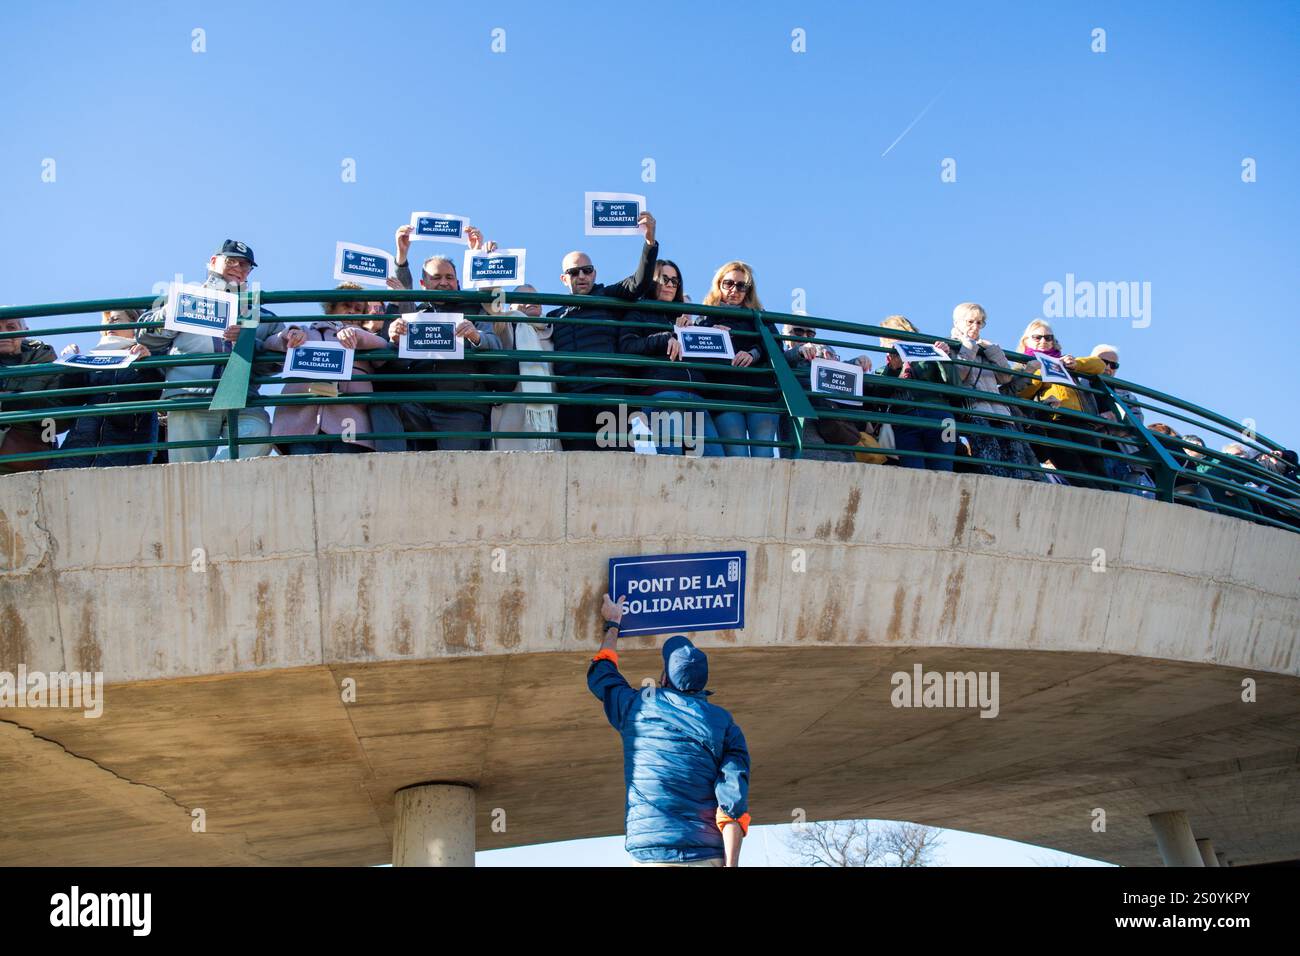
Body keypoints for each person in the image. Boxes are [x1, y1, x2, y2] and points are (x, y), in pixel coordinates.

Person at [587, 592, 750, 866]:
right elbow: (732, 803)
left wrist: (613, 623)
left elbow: (601, 673)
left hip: (650, 854)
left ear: (664, 678)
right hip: (705, 854)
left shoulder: (637, 707)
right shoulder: (725, 727)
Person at [136, 239, 283, 463]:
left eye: (245, 265)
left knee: (259, 435)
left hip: (243, 398)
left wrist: (248, 343)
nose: (238, 268)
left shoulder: (261, 314)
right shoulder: (183, 298)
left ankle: (215, 476)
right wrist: (173, 314)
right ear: (213, 262)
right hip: (189, 393)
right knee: (187, 467)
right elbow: (146, 335)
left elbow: (275, 364)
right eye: (231, 260)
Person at [547, 211, 659, 450]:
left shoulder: (608, 296)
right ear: (563, 279)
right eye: (574, 272)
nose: (582, 276)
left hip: (610, 392)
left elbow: (638, 283)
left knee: (618, 462)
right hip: (572, 399)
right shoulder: (553, 316)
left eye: (587, 270)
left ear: (594, 273)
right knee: (576, 467)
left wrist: (649, 243)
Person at [384, 230, 503, 450]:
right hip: (418, 406)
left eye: (449, 277)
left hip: (463, 408)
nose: (444, 282)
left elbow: (495, 343)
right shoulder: (415, 314)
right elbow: (402, 298)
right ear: (423, 283)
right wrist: (396, 339)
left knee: (460, 474)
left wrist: (475, 336)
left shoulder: (474, 310)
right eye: (436, 277)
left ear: (458, 282)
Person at [263, 284, 389, 454]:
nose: (352, 311)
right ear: (332, 308)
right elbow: (270, 344)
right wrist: (290, 334)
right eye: (346, 305)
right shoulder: (307, 332)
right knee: (304, 476)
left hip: (349, 425)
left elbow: (384, 350)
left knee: (344, 477)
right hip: (300, 422)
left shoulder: (365, 339)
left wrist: (356, 334)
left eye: (358, 308)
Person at [622, 260, 723, 456]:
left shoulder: (683, 316)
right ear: (652, 281)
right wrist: (665, 337)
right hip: (663, 392)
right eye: (664, 279)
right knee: (670, 455)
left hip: (695, 396)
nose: (670, 285)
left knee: (716, 458)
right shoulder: (639, 311)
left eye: (675, 281)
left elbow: (704, 357)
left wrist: (714, 336)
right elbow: (627, 346)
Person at [55, 310, 163, 468]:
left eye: (116, 319)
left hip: (127, 445)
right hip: (79, 444)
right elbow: (69, 398)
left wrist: (146, 364)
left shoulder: (148, 354)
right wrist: (70, 367)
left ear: (134, 324)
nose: (110, 324)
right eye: (107, 321)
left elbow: (155, 393)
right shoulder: (92, 356)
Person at [1011, 319, 1110, 488]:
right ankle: (1092, 498)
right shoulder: (1021, 365)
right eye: (1037, 337)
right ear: (1026, 340)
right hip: (1053, 420)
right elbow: (1018, 393)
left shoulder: (1063, 361)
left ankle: (1107, 500)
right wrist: (1037, 372)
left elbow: (1099, 365)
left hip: (1083, 420)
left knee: (1096, 465)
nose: (1043, 341)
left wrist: (1076, 364)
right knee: (1071, 466)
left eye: (1048, 338)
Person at [949, 303, 1040, 480]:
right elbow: (959, 375)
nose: (975, 327)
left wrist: (993, 350)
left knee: (1016, 460)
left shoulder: (985, 349)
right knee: (991, 461)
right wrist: (968, 347)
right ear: (957, 322)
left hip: (1002, 413)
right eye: (970, 321)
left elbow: (1005, 378)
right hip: (976, 412)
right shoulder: (951, 346)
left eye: (980, 322)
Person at [696, 261, 778, 457]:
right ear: (719, 285)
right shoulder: (706, 318)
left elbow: (776, 345)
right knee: (736, 455)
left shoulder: (759, 316)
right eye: (728, 283)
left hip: (761, 396)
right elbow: (696, 350)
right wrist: (710, 333)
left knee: (764, 458)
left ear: (748, 290)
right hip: (725, 396)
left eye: (741, 286)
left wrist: (753, 353)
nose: (734, 290)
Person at [876, 315, 959, 471]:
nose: (881, 345)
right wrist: (892, 370)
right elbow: (878, 396)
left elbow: (954, 385)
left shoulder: (930, 353)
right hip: (905, 419)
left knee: (943, 472)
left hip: (939, 415)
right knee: (913, 473)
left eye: (884, 339)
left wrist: (944, 358)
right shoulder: (883, 370)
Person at [489, 284, 560, 451]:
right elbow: (491, 307)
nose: (530, 302)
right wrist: (491, 280)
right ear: (510, 306)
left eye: (535, 297)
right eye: (523, 298)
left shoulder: (552, 329)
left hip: (549, 414)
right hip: (512, 414)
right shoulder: (506, 324)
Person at [0, 317, 76, 472]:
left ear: (25, 332)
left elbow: (59, 423)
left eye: (11, 327)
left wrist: (15, 399)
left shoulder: (47, 364)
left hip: (25, 456)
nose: (3, 333)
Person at [778, 322, 857, 461]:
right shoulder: (783, 356)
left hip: (834, 425)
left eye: (810, 334)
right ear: (785, 337)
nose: (804, 336)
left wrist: (857, 362)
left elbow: (841, 374)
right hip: (804, 427)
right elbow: (781, 360)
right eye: (798, 331)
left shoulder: (822, 354)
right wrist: (800, 351)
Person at [1088, 344, 1154, 496]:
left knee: (1147, 499)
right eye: (1103, 361)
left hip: (1124, 457)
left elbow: (1136, 421)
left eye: (1114, 365)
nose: (1108, 367)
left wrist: (1112, 420)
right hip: (1093, 455)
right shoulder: (1078, 385)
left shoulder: (1125, 394)